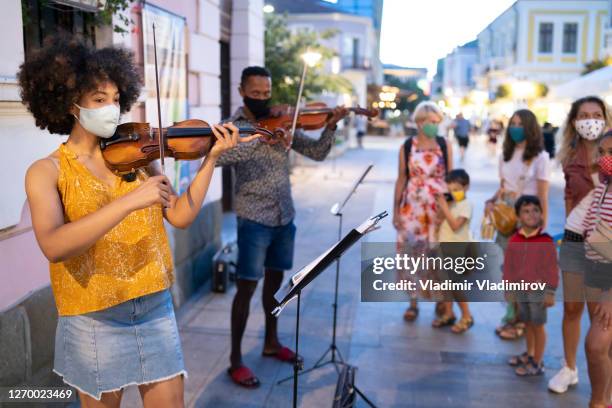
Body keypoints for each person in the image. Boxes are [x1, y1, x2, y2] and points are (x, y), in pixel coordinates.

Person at [18, 35, 255, 407]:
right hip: (93, 319)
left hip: (154, 307)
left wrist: (211, 159)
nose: (112, 109)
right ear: (69, 103)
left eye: (115, 99)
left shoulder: (139, 154)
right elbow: (53, 245)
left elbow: (179, 215)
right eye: (99, 100)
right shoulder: (46, 171)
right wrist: (129, 201)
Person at [215, 66, 347, 388]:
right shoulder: (232, 128)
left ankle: (271, 342)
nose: (262, 99)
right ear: (242, 90)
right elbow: (219, 159)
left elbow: (317, 153)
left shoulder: (281, 121)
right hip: (253, 219)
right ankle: (235, 360)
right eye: (255, 93)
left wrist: (330, 127)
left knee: (276, 287)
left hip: (283, 217)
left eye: (266, 93)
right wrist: (263, 139)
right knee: (246, 288)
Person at [549, 96, 609, 394]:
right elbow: (570, 198)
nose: (591, 120)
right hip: (573, 241)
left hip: (603, 245)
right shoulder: (569, 157)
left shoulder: (610, 153)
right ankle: (569, 368)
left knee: (600, 313)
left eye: (597, 114)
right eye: (584, 115)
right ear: (574, 121)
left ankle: (603, 381)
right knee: (571, 308)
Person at [485, 109, 551, 341]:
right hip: (506, 217)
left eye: (520, 124)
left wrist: (542, 228)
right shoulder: (505, 154)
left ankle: (522, 321)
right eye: (512, 123)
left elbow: (543, 195)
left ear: (530, 128)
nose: (515, 128)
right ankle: (512, 315)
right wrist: (492, 200)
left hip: (528, 219)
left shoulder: (540, 157)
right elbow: (503, 185)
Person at [393, 101, 453, 322]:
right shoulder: (407, 146)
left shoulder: (445, 145)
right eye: (431, 122)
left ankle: (439, 299)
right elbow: (401, 178)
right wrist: (395, 210)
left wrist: (449, 209)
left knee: (436, 255)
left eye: (437, 122)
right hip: (412, 207)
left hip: (437, 207)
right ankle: (413, 301)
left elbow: (451, 178)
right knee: (411, 254)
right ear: (419, 122)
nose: (435, 126)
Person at [504, 195, 558, 376]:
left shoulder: (545, 241)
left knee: (538, 325)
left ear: (542, 214)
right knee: (527, 323)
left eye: (536, 210)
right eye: (526, 211)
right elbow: (509, 267)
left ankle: (537, 362)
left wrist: (550, 292)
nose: (532, 214)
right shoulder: (514, 240)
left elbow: (552, 269)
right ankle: (530, 353)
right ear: (518, 217)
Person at [583, 132, 612, 408]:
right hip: (594, 273)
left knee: (595, 345)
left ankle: (598, 402)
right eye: (602, 152)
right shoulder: (603, 188)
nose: (606, 159)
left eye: (611, 152)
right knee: (605, 348)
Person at [434, 169, 474, 334]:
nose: (453, 193)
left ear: (466, 187)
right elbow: (438, 220)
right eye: (450, 190)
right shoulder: (451, 203)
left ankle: (467, 316)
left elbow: (455, 225)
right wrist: (442, 207)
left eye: (457, 190)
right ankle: (449, 313)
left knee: (456, 285)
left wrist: (445, 208)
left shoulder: (466, 205)